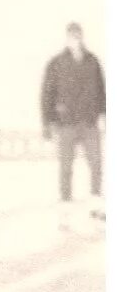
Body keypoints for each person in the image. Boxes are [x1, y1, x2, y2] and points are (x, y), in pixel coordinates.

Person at [41, 22, 105, 206]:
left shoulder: (93, 62)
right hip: (65, 122)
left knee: (96, 163)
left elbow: (102, 91)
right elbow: (47, 94)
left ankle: (95, 196)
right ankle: (66, 199)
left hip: (89, 122)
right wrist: (47, 123)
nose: (75, 39)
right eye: (71, 36)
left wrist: (104, 115)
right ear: (67, 38)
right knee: (66, 166)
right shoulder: (56, 63)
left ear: (82, 37)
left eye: (78, 36)